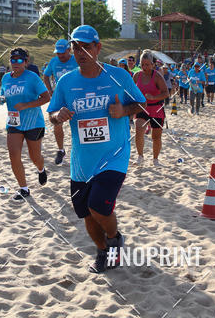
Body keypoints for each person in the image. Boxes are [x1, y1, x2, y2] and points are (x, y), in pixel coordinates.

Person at [47, 25, 146, 273]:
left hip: (114, 156)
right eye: (76, 47)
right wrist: (58, 116)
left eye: (86, 47)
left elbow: (141, 105)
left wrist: (123, 110)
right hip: (82, 161)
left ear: (98, 48)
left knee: (98, 205)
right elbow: (52, 114)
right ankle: (103, 251)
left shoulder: (118, 76)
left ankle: (114, 238)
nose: (81, 52)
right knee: (86, 215)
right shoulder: (66, 82)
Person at [0, 48, 50, 201]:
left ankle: (41, 169)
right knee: (13, 154)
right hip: (14, 122)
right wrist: (1, 99)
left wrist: (26, 105)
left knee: (34, 156)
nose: (16, 63)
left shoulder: (32, 77)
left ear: (26, 62)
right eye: (13, 60)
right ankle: (24, 188)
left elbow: (46, 97)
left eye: (20, 60)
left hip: (33, 122)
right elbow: (5, 94)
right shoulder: (6, 78)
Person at [42, 39, 78, 165]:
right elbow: (46, 76)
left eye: (63, 53)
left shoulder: (76, 60)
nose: (61, 56)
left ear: (69, 50)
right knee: (56, 122)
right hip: (60, 96)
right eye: (58, 53)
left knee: (79, 124)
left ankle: (79, 150)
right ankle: (61, 150)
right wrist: (50, 90)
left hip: (77, 96)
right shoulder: (53, 61)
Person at [133, 51, 169, 166]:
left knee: (156, 137)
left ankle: (155, 159)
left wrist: (153, 97)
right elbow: (132, 91)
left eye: (147, 64)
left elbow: (166, 93)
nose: (144, 67)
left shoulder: (157, 76)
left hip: (156, 109)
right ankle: (140, 156)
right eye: (142, 64)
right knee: (138, 130)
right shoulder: (137, 75)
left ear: (153, 64)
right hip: (142, 108)